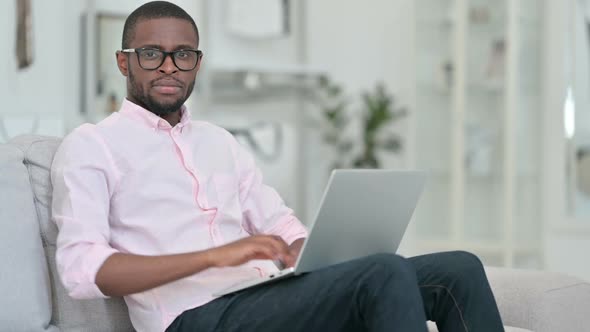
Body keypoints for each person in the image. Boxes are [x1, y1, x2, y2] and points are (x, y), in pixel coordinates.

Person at [51, 2, 505, 331]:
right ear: (123, 61)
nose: (169, 67)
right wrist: (213, 256)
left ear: (197, 63)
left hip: (261, 295)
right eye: (152, 54)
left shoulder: (220, 143)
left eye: (183, 55)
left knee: (458, 269)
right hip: (190, 317)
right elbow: (83, 271)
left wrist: (306, 250)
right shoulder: (93, 145)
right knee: (384, 272)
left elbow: (281, 223)